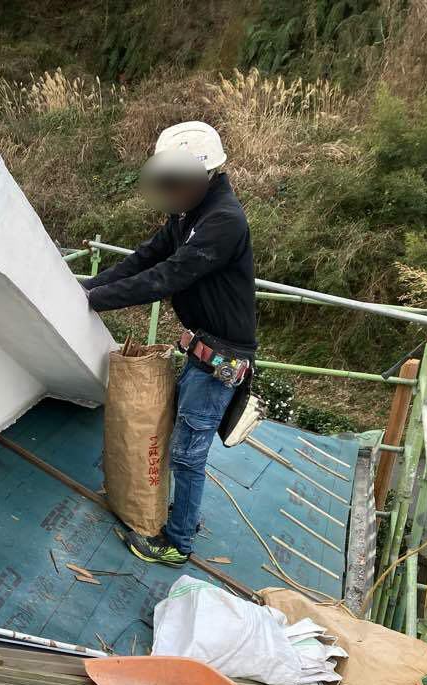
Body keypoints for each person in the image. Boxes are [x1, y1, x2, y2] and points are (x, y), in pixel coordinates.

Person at [83, 121, 257, 566]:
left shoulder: (223, 221)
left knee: (187, 454)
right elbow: (146, 258)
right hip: (201, 349)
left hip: (221, 359)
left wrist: (95, 300)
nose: (172, 189)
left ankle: (178, 543)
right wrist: (85, 288)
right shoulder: (187, 213)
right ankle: (182, 516)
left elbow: (168, 276)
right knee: (181, 439)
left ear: (207, 175)